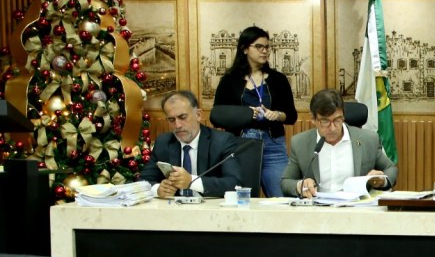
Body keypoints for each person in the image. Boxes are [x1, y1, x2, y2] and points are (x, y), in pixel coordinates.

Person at [213, 26, 297, 197]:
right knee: (243, 200)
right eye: (259, 47)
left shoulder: (278, 79)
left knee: (282, 198)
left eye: (267, 47)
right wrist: (244, 113)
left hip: (273, 144)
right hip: (241, 144)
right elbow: (217, 116)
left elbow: (291, 116)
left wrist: (277, 115)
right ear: (245, 49)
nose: (264, 51)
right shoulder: (229, 80)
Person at [282, 89, 397, 197]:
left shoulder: (368, 140)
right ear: (313, 119)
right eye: (325, 121)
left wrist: (382, 180)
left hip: (356, 207)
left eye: (337, 120)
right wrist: (300, 185)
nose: (332, 128)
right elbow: (286, 181)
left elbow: (391, 168)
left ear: (343, 116)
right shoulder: (300, 143)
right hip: (317, 207)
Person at [140, 90, 242, 199]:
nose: (177, 125)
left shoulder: (222, 141)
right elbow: (143, 181)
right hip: (175, 207)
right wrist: (158, 189)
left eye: (182, 117)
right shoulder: (163, 142)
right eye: (171, 119)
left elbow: (235, 184)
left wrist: (192, 181)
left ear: (198, 115)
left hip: (210, 206)